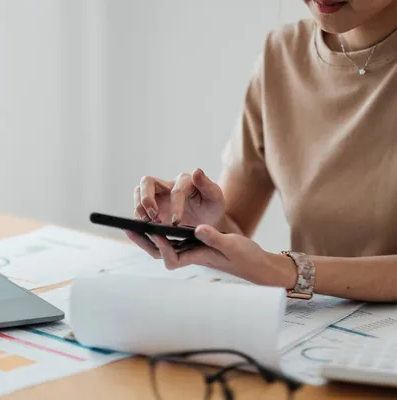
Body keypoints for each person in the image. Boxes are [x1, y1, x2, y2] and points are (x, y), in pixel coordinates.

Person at [128, 0, 397, 302]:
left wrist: (289, 271)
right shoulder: (283, 54)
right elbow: (235, 228)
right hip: (319, 330)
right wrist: (201, 221)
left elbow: (275, 269)